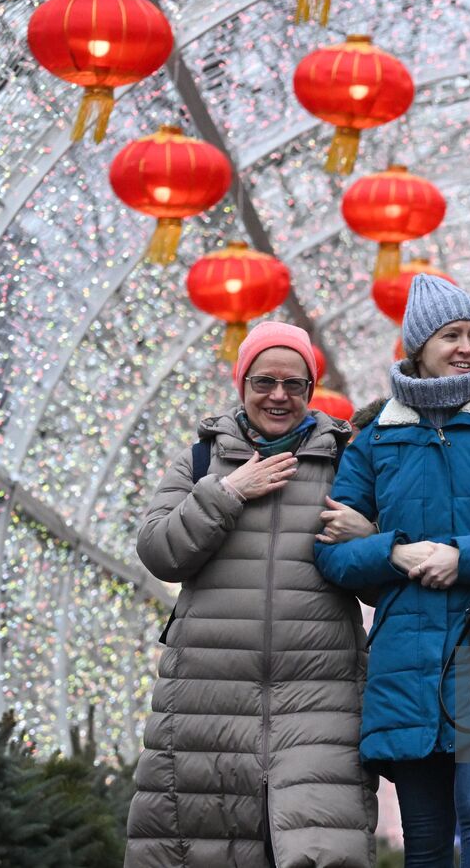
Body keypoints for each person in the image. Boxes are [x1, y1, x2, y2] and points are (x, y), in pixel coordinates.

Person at [315, 275, 470, 867]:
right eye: (451, 334)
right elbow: (331, 549)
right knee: (425, 839)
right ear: (419, 346)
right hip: (408, 659)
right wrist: (394, 551)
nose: (466, 347)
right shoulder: (375, 439)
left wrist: (462, 557)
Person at [126, 322, 378, 867]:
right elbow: (158, 552)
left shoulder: (348, 463)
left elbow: (386, 581)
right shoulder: (200, 462)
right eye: (265, 381)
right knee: (200, 847)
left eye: (295, 384)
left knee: (321, 848)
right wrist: (225, 493)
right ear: (241, 384)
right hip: (206, 699)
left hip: (321, 701)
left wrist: (372, 541)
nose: (279, 396)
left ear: (312, 391)